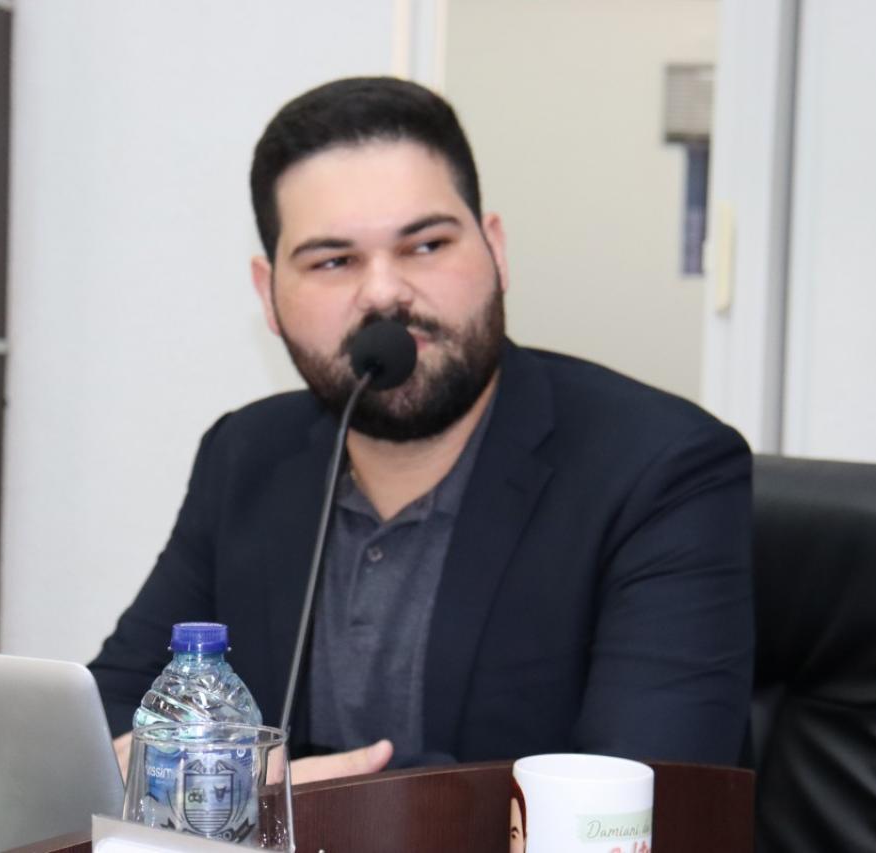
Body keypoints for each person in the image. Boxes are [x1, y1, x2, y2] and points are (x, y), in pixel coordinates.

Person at [89, 76, 753, 784]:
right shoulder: (248, 453)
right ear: (269, 296)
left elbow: (642, 797)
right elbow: (110, 717)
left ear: (496, 251)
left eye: (426, 245)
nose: (384, 293)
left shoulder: (660, 468)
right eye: (334, 261)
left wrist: (276, 793)